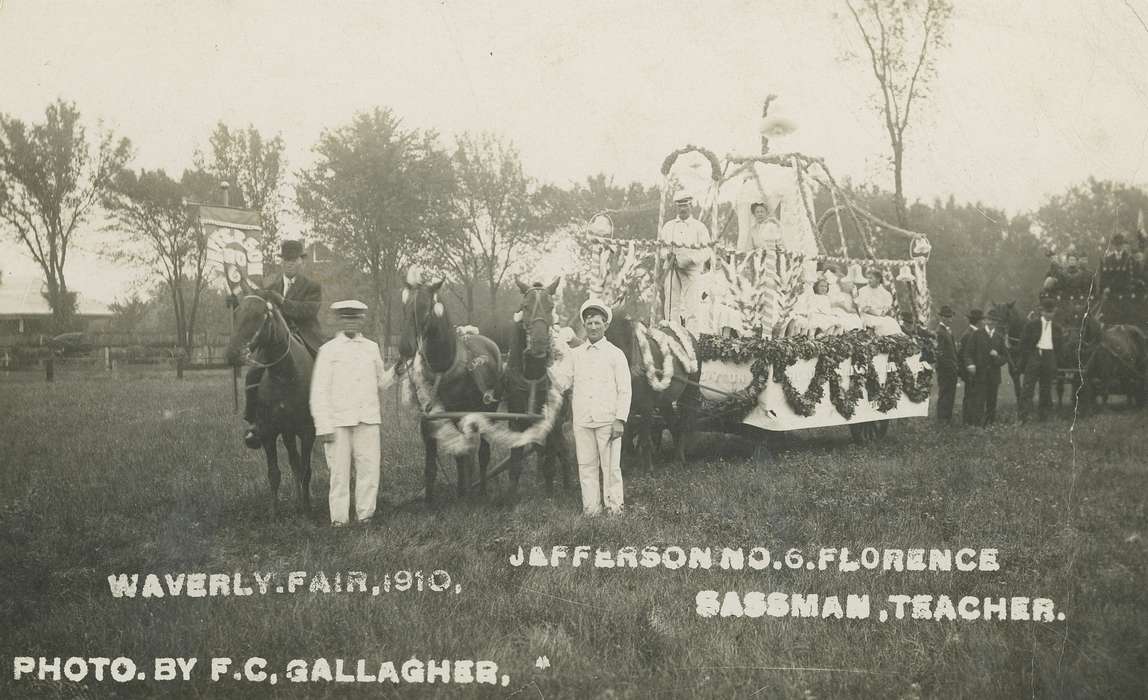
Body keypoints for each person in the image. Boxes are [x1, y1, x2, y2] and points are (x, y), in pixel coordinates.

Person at [309, 300, 394, 527]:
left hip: (367, 418)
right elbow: (319, 391)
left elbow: (382, 382)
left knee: (369, 468)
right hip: (338, 422)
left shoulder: (371, 347)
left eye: (356, 318)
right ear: (339, 320)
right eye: (347, 318)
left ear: (362, 320)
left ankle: (365, 515)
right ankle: (339, 520)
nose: (351, 322)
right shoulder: (328, 351)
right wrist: (323, 426)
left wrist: (399, 367)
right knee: (339, 473)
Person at [549, 299, 632, 516]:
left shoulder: (615, 354)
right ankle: (591, 510)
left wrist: (619, 420)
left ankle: (615, 510)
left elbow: (625, 390)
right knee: (586, 467)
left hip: (608, 421)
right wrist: (552, 358)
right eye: (589, 323)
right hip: (583, 421)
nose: (593, 327)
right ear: (584, 326)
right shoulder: (575, 355)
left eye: (597, 323)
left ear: (605, 325)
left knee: (611, 468)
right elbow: (562, 382)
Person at [244, 239, 325, 447]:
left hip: (305, 336)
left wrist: (282, 301)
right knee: (253, 372)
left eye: (294, 260)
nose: (289, 263)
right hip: (276, 340)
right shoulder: (270, 286)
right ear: (281, 262)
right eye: (286, 260)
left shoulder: (312, 287)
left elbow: (309, 311)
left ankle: (322, 417)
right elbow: (256, 307)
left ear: (301, 262)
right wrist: (236, 299)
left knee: (323, 367)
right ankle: (254, 421)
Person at [659, 192, 713, 330]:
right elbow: (661, 249)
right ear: (676, 208)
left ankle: (692, 336)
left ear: (691, 206)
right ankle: (672, 332)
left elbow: (707, 251)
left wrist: (690, 259)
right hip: (672, 268)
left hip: (691, 270)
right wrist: (666, 255)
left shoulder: (699, 227)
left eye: (685, 206)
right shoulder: (669, 226)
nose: (683, 209)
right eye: (680, 206)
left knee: (692, 305)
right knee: (671, 303)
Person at [1017, 297, 1062, 421]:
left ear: (1054, 312)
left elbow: (1060, 347)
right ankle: (1023, 416)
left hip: (1049, 357)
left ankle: (1043, 416)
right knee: (1028, 387)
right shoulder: (1032, 325)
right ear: (1042, 311)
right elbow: (1023, 344)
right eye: (1047, 311)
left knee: (1046, 388)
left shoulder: (1057, 328)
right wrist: (1031, 356)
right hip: (1035, 355)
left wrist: (1053, 358)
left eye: (1051, 312)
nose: (1049, 314)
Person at [981, 308, 1011, 425]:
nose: (992, 322)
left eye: (994, 320)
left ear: (997, 323)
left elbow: (1005, 357)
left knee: (992, 399)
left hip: (994, 374)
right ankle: (978, 421)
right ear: (985, 321)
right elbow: (970, 352)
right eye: (989, 320)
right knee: (980, 398)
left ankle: (990, 421)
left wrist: (997, 357)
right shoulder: (978, 334)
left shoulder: (999, 337)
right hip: (981, 373)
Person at [959, 309, 988, 426]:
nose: (984, 322)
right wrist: (967, 371)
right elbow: (964, 355)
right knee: (971, 396)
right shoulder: (969, 334)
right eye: (983, 320)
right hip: (971, 371)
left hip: (976, 371)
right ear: (978, 321)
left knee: (975, 396)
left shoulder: (974, 333)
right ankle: (969, 421)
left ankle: (973, 420)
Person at [855, 268, 903, 335]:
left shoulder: (885, 293)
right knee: (880, 324)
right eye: (868, 278)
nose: (869, 280)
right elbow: (863, 308)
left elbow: (886, 308)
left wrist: (882, 312)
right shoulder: (863, 291)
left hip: (880, 316)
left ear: (878, 279)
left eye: (871, 278)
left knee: (892, 322)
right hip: (867, 315)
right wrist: (876, 312)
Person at [934, 305, 959, 423]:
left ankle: (947, 417)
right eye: (948, 317)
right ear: (942, 318)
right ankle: (942, 419)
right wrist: (951, 366)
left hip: (951, 368)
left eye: (950, 317)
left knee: (950, 393)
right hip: (945, 369)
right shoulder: (940, 332)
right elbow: (940, 354)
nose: (950, 319)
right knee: (945, 393)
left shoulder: (947, 331)